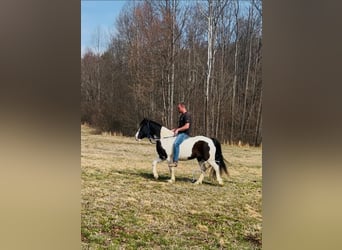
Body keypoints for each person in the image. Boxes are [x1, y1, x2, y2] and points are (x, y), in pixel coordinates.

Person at [169, 102, 191, 167]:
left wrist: (178, 130)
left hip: (185, 134)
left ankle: (175, 161)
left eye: (179, 108)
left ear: (182, 107)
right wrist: (174, 129)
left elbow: (187, 126)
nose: (178, 109)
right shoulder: (181, 116)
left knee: (176, 144)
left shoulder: (187, 115)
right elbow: (180, 127)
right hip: (180, 133)